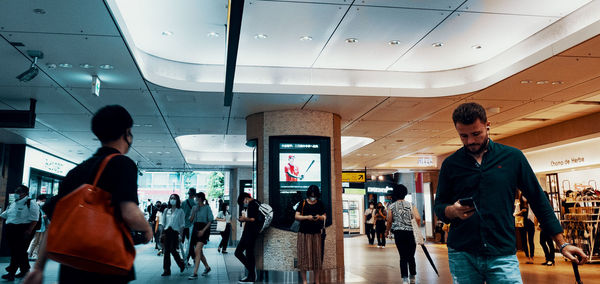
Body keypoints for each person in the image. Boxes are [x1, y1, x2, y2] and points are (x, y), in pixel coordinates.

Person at [434, 102, 587, 284]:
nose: (470, 141)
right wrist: (452, 211)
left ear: (487, 126)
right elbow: (439, 206)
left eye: (476, 134)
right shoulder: (451, 164)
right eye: (463, 136)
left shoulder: (512, 158)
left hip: (502, 252)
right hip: (462, 252)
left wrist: (562, 243)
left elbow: (538, 200)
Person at [24, 105, 153, 284]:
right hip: (106, 263)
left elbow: (56, 223)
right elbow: (129, 211)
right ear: (127, 133)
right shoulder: (122, 164)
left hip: (72, 263)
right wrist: (147, 229)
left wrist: (38, 267)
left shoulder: (76, 172)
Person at [0, 185, 39, 281]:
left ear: (24, 193)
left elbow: (35, 219)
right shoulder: (14, 203)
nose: (16, 194)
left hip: (22, 230)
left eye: (18, 192)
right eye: (16, 191)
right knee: (18, 251)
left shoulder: (31, 203)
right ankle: (25, 270)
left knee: (17, 252)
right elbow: (6, 214)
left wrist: (29, 231)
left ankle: (11, 272)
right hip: (11, 229)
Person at [385, 184, 420, 283]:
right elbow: (417, 218)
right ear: (405, 193)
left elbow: (389, 221)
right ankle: (412, 277)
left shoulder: (391, 206)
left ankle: (405, 279)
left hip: (399, 234)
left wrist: (387, 231)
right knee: (411, 256)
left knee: (403, 256)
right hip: (410, 233)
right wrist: (415, 228)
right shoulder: (411, 205)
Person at [295, 185, 326, 284]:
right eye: (311, 195)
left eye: (315, 196)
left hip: (316, 233)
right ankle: (304, 281)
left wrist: (319, 217)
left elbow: (325, 216)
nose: (313, 197)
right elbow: (296, 216)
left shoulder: (320, 204)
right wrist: (307, 217)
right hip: (303, 233)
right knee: (303, 257)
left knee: (317, 258)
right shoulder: (303, 203)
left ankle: (316, 281)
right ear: (308, 194)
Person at [235, 192, 260, 283]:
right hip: (253, 233)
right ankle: (251, 276)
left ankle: (252, 272)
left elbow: (253, 219)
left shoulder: (252, 204)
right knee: (249, 255)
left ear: (245, 198)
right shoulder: (257, 202)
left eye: (243, 202)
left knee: (238, 252)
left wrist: (244, 219)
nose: (244, 204)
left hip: (250, 233)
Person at [188, 192, 213, 280]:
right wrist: (194, 212)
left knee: (197, 250)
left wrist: (203, 230)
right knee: (199, 252)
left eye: (196, 198)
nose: (195, 200)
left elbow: (210, 220)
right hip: (195, 229)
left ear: (201, 198)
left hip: (204, 229)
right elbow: (190, 220)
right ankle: (207, 267)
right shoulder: (194, 208)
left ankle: (195, 273)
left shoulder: (207, 208)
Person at [161, 194, 186, 276]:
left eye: (174, 198)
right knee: (166, 251)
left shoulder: (180, 211)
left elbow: (182, 224)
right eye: (171, 198)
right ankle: (166, 270)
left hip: (175, 232)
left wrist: (181, 236)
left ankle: (181, 264)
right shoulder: (166, 210)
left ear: (177, 200)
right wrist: (161, 234)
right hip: (166, 232)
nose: (172, 200)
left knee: (173, 250)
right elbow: (163, 223)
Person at [516, 192, 535, 264]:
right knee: (524, 241)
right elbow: (514, 213)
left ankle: (532, 257)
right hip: (522, 224)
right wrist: (521, 211)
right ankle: (527, 256)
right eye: (523, 196)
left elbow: (534, 213)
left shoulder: (531, 204)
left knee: (531, 241)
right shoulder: (519, 205)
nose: (525, 198)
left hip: (530, 223)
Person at [28, 195, 48, 260]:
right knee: (34, 241)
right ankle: (28, 254)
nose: (43, 202)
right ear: (39, 200)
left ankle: (35, 254)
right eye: (43, 201)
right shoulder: (35, 206)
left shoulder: (41, 207)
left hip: (42, 227)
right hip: (37, 227)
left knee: (39, 242)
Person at [539, 192, 555, 266]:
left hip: (548, 225)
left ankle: (550, 259)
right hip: (544, 225)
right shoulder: (543, 203)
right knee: (543, 242)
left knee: (549, 242)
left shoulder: (547, 204)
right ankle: (548, 258)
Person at [181, 188, 196, 264]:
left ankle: (188, 258)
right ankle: (189, 258)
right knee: (191, 244)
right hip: (191, 226)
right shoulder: (195, 204)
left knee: (185, 243)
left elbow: (181, 214)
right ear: (194, 195)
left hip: (184, 226)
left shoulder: (183, 203)